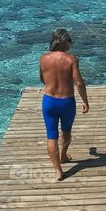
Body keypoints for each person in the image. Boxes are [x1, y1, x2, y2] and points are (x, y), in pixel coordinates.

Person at [39, 28, 89, 180]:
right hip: (66, 102)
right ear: (64, 42)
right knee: (66, 131)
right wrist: (85, 101)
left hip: (49, 101)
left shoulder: (43, 58)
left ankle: (58, 170)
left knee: (51, 136)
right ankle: (63, 156)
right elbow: (79, 82)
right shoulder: (71, 59)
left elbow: (42, 78)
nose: (70, 44)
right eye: (69, 41)